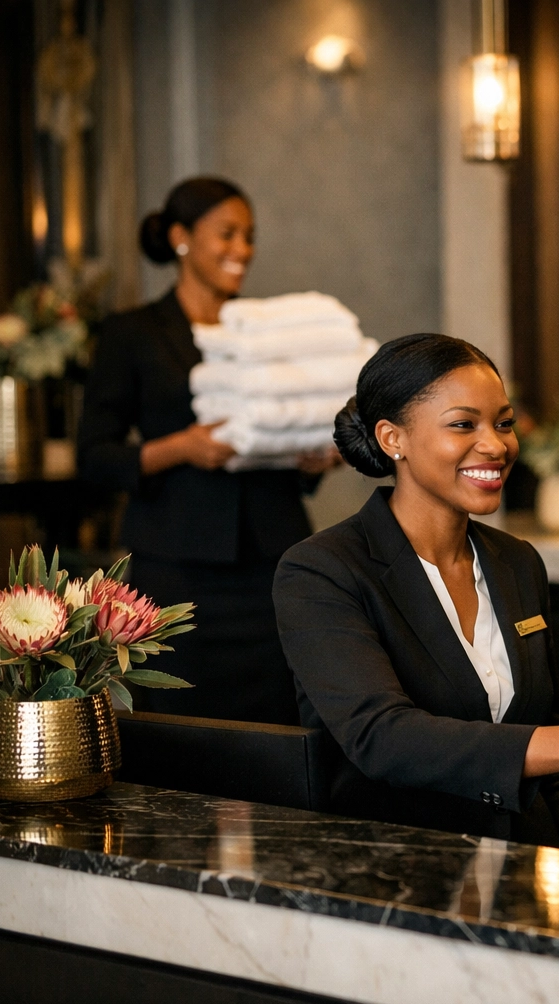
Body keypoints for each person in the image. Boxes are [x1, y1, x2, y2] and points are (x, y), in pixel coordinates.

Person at [272, 334, 559, 841]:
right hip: (393, 873)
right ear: (393, 439)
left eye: (503, 423)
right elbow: (382, 738)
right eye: (463, 425)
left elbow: (550, 748)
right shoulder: (322, 569)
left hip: (521, 872)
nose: (497, 445)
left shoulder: (516, 563)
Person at [78, 177, 337, 724]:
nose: (242, 250)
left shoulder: (265, 330)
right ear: (181, 237)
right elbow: (94, 457)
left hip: (274, 559)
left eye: (249, 236)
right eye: (227, 234)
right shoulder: (133, 332)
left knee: (280, 718)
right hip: (175, 568)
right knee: (184, 723)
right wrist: (182, 448)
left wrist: (310, 457)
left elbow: (282, 426)